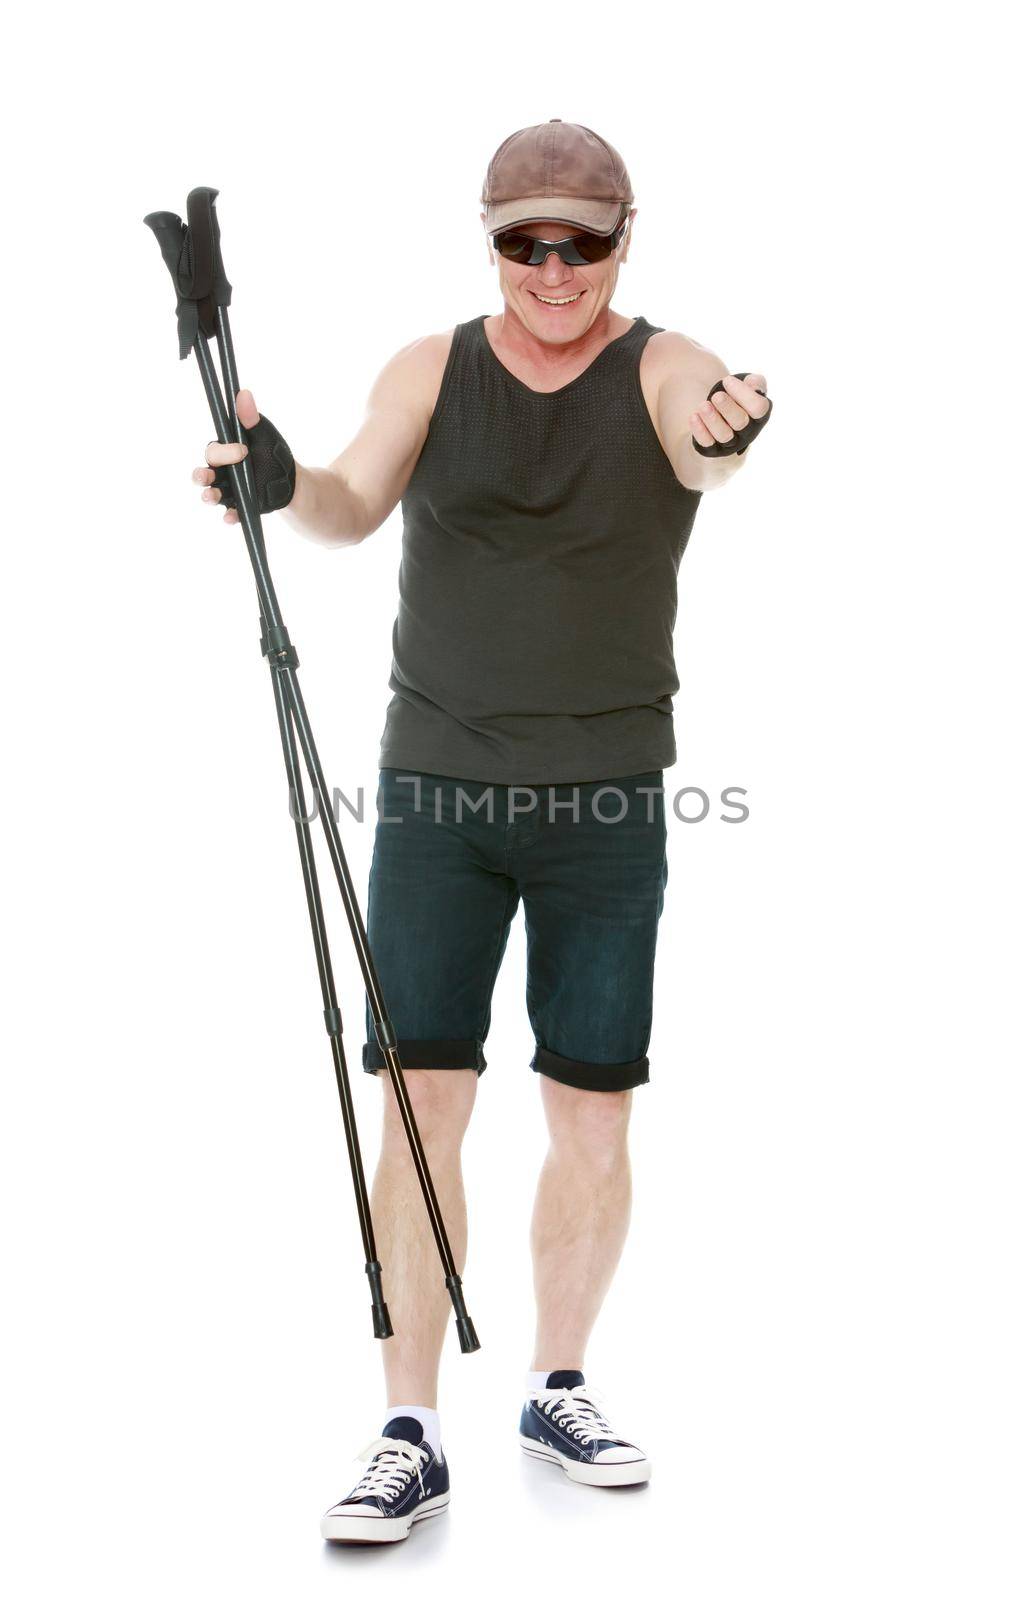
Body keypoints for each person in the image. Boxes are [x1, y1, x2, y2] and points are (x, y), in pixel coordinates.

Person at [192, 119, 772, 1544]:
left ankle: (557, 1382)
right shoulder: (429, 368)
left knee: (590, 1105)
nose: (554, 268)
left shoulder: (663, 369)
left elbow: (704, 446)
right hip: (436, 799)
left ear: (624, 235)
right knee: (421, 1101)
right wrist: (272, 479)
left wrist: (729, 430)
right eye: (527, 241)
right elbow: (339, 503)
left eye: (581, 240)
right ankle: (407, 1425)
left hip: (605, 805)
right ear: (492, 238)